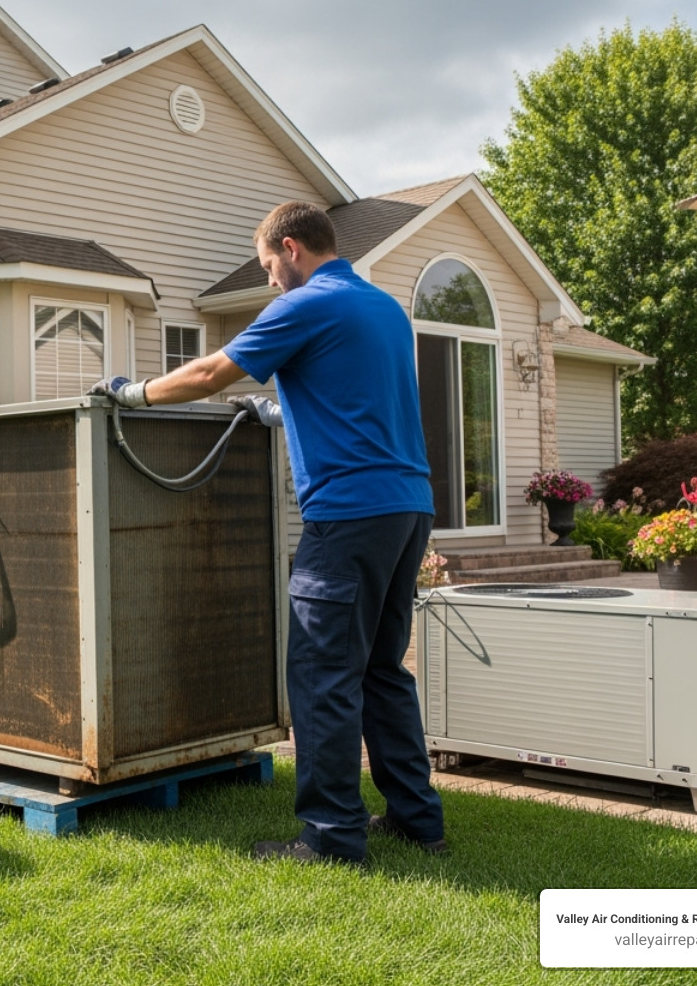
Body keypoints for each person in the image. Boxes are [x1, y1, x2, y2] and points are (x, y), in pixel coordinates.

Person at [90, 200, 444, 866]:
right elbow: (352, 394)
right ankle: (417, 820)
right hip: (407, 507)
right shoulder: (384, 308)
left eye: (269, 267)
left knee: (322, 674)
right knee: (380, 670)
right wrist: (280, 409)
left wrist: (131, 393)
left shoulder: (306, 305)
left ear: (291, 247)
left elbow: (206, 375)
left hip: (347, 514)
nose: (271, 281)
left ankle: (332, 837)